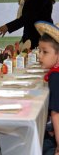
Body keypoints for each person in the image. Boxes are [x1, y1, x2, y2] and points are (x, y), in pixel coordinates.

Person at [35, 21, 59, 155]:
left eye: (44, 52)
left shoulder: (56, 77)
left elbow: (57, 114)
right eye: (39, 51)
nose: (40, 56)